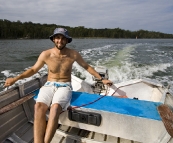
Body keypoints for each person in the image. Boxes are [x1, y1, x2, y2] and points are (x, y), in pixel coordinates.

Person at [4, 28, 113, 143]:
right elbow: (33, 69)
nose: (60, 41)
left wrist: (102, 79)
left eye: (63, 38)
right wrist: (15, 79)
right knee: (38, 107)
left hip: (64, 86)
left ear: (67, 40)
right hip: (49, 85)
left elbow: (87, 67)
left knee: (55, 108)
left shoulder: (73, 54)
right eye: (57, 38)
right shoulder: (46, 54)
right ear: (53, 39)